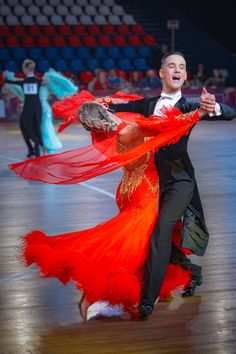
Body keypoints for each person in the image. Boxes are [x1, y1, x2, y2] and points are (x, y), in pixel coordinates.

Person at [10, 89, 209, 322]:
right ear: (104, 112)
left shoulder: (105, 135)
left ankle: (165, 282)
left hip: (128, 188)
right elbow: (165, 127)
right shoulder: (130, 128)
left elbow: (108, 106)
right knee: (135, 245)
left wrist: (104, 104)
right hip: (147, 189)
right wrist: (199, 113)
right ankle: (93, 294)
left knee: (158, 237)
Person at [107, 51, 236, 317]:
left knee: (161, 229)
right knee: (151, 234)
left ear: (185, 75)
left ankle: (147, 300)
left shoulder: (191, 107)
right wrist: (97, 108)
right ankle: (192, 271)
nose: (177, 69)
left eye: (182, 66)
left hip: (180, 181)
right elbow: (117, 110)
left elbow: (230, 113)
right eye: (171, 65)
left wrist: (215, 107)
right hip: (153, 182)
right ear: (162, 73)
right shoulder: (149, 104)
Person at [3, 67, 78, 154]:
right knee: (35, 128)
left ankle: (48, 147)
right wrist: (8, 77)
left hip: (44, 110)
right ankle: (41, 147)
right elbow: (18, 89)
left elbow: (60, 88)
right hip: (33, 109)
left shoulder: (46, 85)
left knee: (46, 127)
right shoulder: (30, 85)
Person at [3, 60, 44, 157]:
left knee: (25, 127)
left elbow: (7, 81)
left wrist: (5, 75)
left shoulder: (24, 81)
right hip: (37, 108)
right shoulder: (39, 81)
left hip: (29, 108)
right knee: (34, 127)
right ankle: (34, 149)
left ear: (25, 69)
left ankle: (33, 149)